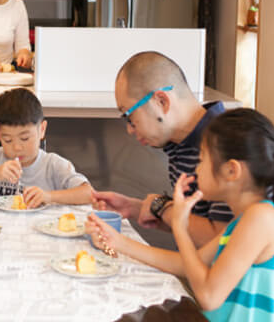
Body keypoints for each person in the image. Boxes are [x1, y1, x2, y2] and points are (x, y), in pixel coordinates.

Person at [87, 108, 274, 320]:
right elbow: (188, 263)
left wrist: (180, 226)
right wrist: (118, 242)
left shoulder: (261, 218)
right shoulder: (246, 219)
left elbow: (208, 296)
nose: (197, 169)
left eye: (202, 159)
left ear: (232, 171)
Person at [92, 51, 232, 247]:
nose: (130, 129)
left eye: (129, 116)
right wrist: (136, 208)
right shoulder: (179, 144)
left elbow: (222, 241)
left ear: (161, 101)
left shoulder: (226, 146)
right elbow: (189, 226)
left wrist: (161, 206)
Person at [0, 88, 93, 207]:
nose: (17, 147)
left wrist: (48, 196)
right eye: (7, 140)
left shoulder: (52, 164)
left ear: (42, 130)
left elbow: (89, 193)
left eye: (25, 138)